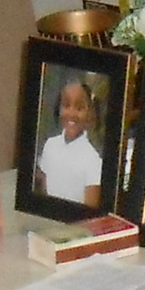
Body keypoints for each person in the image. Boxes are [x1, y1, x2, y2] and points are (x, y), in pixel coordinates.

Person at [37, 77, 105, 207]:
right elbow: (44, 192)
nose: (72, 113)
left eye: (79, 108)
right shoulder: (50, 145)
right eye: (66, 105)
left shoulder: (93, 160)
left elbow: (90, 210)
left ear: (90, 114)